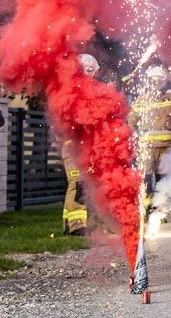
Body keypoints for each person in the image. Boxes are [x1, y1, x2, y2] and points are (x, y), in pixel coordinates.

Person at [127, 64, 171, 214]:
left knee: (157, 178)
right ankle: (149, 207)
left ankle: (156, 208)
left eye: (160, 80)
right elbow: (131, 121)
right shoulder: (145, 100)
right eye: (155, 80)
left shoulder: (167, 97)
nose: (157, 83)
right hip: (151, 147)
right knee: (149, 178)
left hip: (158, 147)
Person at [61, 54, 101, 235]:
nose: (90, 74)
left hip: (86, 144)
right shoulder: (70, 90)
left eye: (92, 70)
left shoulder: (92, 90)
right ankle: (76, 226)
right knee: (77, 183)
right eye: (87, 70)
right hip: (73, 144)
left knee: (83, 184)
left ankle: (69, 225)